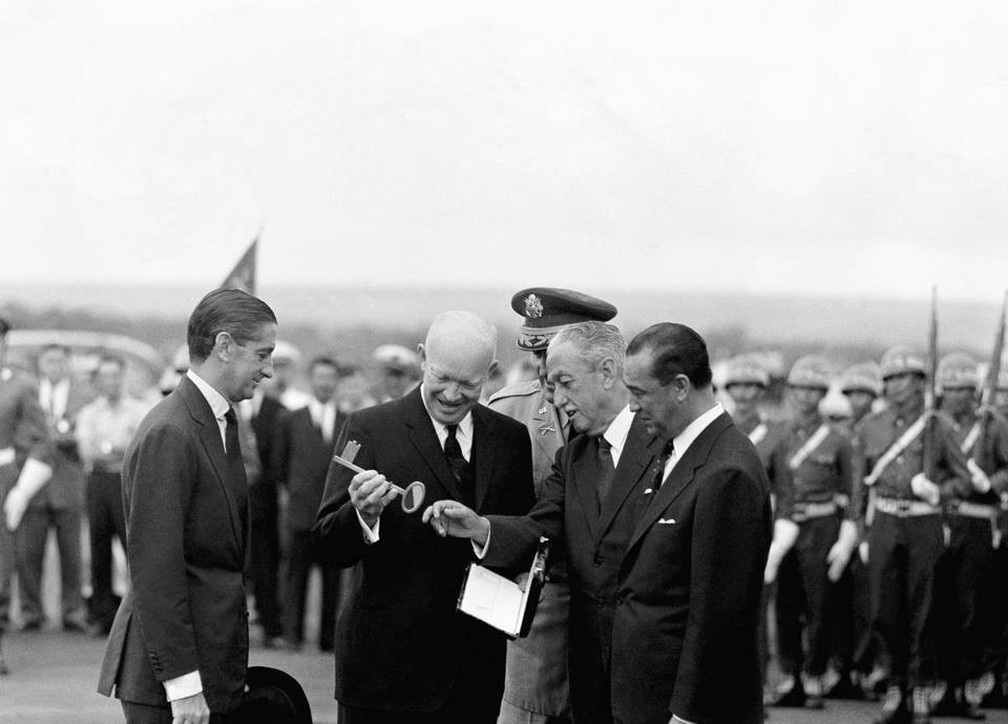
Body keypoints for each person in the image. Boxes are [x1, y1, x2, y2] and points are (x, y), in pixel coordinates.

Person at [428, 322, 772, 724]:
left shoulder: (684, 450)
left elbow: (718, 613)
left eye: (564, 382)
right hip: (597, 685)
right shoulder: (577, 456)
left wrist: (689, 711)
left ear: (608, 373)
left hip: (665, 692)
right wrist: (482, 529)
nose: (554, 399)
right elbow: (545, 527)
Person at [313, 311, 534, 724]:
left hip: (473, 676)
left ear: (490, 373)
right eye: (443, 378)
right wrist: (362, 515)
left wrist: (486, 533)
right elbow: (326, 543)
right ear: (422, 359)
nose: (452, 395)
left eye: (468, 384)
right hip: (383, 676)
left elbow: (526, 540)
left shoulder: (510, 439)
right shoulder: (370, 428)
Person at [97, 288, 277, 724]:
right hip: (172, 687)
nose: (269, 370)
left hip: (210, 668)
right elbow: (156, 570)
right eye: (262, 354)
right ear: (224, 346)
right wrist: (183, 686)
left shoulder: (220, 421)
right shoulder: (171, 432)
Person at [487, 287, 618, 724]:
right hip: (538, 605)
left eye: (553, 354)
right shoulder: (508, 411)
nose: (544, 370)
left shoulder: (625, 412)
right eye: (538, 356)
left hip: (608, 610)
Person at [854, 345, 973, 724]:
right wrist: (859, 533)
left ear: (920, 382)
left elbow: (965, 480)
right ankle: (895, 685)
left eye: (900, 378)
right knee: (884, 611)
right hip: (885, 522)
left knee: (924, 608)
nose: (892, 386)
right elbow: (860, 487)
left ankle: (920, 685)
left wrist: (938, 492)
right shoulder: (869, 426)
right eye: (887, 379)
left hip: (924, 522)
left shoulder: (938, 425)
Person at [766, 356, 858, 709]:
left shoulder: (839, 439)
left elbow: (851, 492)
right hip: (785, 523)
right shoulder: (776, 433)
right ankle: (789, 675)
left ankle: (813, 674)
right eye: (799, 389)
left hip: (822, 525)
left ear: (822, 394)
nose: (805, 396)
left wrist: (848, 534)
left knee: (820, 604)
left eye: (813, 390)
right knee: (785, 604)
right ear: (790, 392)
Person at [931, 352, 1008, 718]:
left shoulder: (993, 425)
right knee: (937, 604)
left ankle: (965, 685)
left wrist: (988, 483)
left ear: (975, 391)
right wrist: (946, 487)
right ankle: (940, 682)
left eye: (962, 389)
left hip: (978, 522)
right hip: (939, 518)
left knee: (971, 607)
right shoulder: (932, 425)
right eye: (949, 388)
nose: (955, 395)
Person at [16, 343, 92, 631]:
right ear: (41, 364)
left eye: (60, 360)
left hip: (69, 483)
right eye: (49, 361)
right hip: (34, 482)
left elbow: (86, 433)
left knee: (72, 554)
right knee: (29, 553)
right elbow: (21, 432)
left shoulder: (82, 395)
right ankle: (30, 610)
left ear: (68, 363)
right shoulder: (29, 393)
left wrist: (67, 438)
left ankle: (73, 611)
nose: (55, 366)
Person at [272, 355, 346, 651]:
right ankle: (293, 634)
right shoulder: (291, 419)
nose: (325, 383)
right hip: (301, 512)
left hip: (334, 513)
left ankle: (328, 639)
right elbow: (280, 466)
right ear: (311, 379)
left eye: (330, 377)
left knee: (332, 580)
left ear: (336, 382)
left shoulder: (348, 421)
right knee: (296, 576)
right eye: (320, 377)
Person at [75, 354, 150, 635]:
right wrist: (115, 448)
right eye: (105, 376)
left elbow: (138, 448)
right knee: (98, 549)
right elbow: (88, 452)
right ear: (99, 380)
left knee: (135, 547)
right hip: (98, 483)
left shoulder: (139, 410)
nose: (111, 381)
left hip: (128, 480)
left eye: (115, 375)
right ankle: (102, 615)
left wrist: (110, 448)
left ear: (123, 376)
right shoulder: (90, 413)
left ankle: (141, 613)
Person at [0, 316, 53, 674]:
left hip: (3, 477)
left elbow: (41, 441)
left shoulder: (20, 387)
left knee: (0, 568)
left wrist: (20, 491)